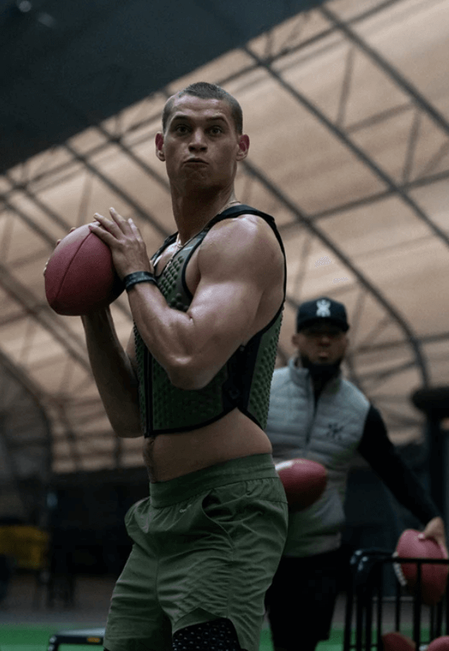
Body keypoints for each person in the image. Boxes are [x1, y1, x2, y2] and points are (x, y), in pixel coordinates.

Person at [78, 81, 288, 651]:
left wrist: (133, 274)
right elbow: (129, 416)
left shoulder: (242, 237)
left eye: (214, 130)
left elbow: (190, 363)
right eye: (182, 129)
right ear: (160, 146)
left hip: (226, 508)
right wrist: (92, 311)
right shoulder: (165, 258)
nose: (197, 142)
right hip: (161, 510)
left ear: (240, 147)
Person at [263, 297, 447, 651]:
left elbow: (392, 468)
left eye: (333, 333)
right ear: (296, 339)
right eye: (314, 332)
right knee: (230, 637)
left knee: (296, 646)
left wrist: (431, 516)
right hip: (254, 541)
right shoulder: (264, 391)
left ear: (345, 342)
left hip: (315, 552)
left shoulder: (358, 409)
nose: (324, 341)